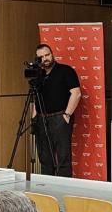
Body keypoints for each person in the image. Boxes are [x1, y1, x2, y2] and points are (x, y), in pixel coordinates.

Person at [30, 44, 81, 177]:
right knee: (45, 159)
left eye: (47, 55)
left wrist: (67, 115)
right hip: (41, 119)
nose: (45, 59)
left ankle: (63, 187)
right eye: (41, 57)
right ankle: (47, 187)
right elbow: (35, 98)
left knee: (63, 159)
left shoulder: (66, 70)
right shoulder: (38, 76)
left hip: (60, 118)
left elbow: (76, 93)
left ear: (52, 54)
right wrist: (34, 117)